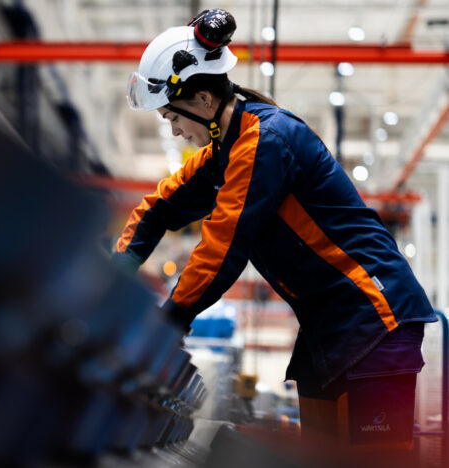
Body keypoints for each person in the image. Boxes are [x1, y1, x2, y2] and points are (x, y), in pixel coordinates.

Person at [113, 8, 437, 465]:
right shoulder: (224, 151)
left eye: (172, 116)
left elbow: (222, 247)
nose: (175, 131)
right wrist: (112, 277)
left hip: (373, 320)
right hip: (329, 330)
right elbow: (156, 209)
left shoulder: (264, 141)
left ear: (204, 101)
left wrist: (166, 325)